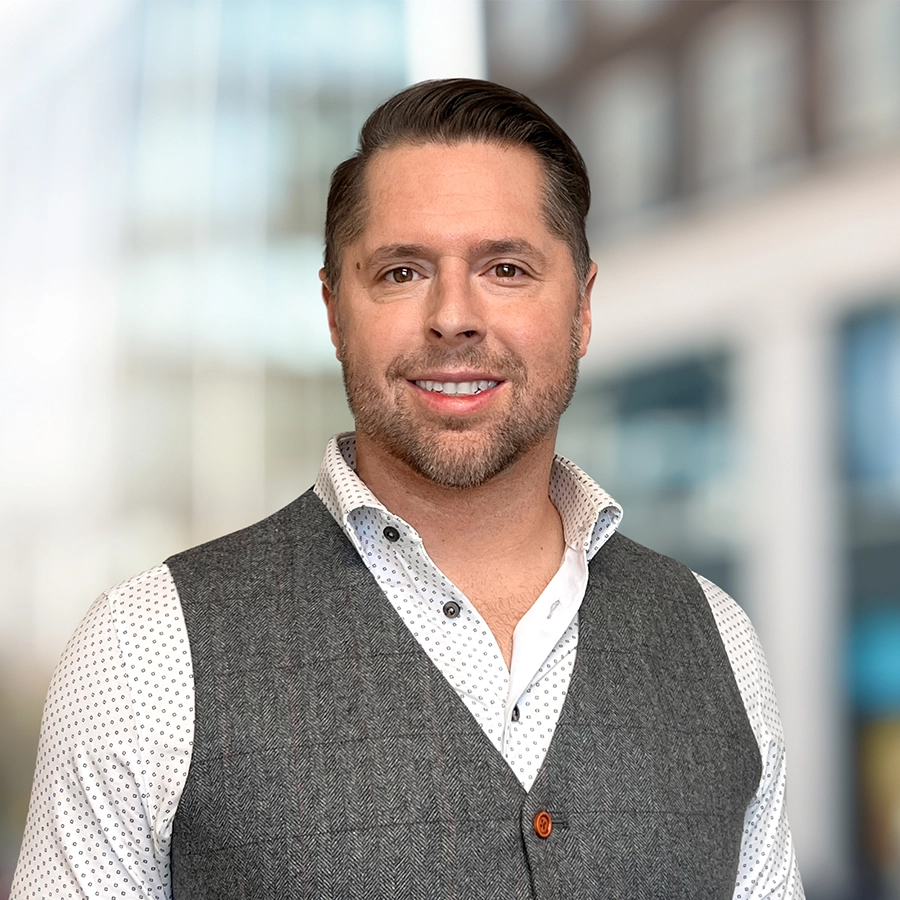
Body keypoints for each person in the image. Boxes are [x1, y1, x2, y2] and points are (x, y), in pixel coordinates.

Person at [12, 78, 803, 899]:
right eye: (401, 272)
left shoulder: (719, 642)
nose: (453, 316)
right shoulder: (142, 651)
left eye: (506, 268)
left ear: (582, 307)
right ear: (334, 311)